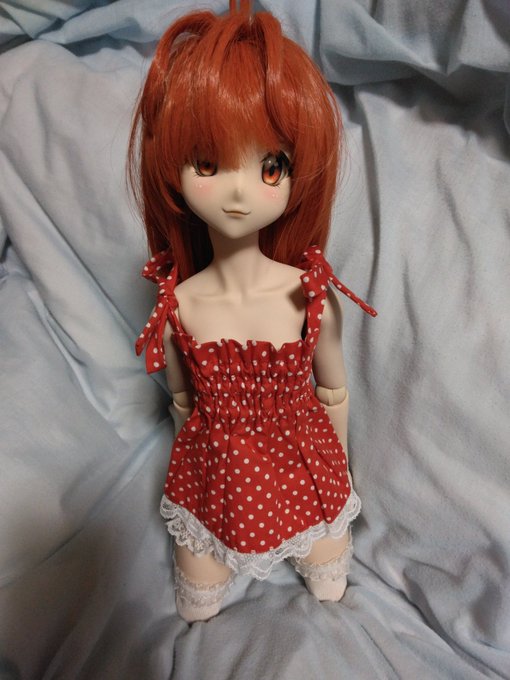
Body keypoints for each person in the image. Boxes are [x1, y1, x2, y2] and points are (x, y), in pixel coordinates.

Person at [129, 0, 376, 623]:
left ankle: (321, 531)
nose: (239, 191)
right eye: (209, 163)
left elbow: (333, 392)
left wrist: (337, 477)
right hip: (215, 484)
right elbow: (182, 406)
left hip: (307, 477)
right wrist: (202, 476)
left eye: (270, 166)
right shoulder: (178, 304)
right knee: (197, 605)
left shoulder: (309, 295)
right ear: (173, 169)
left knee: (329, 585)